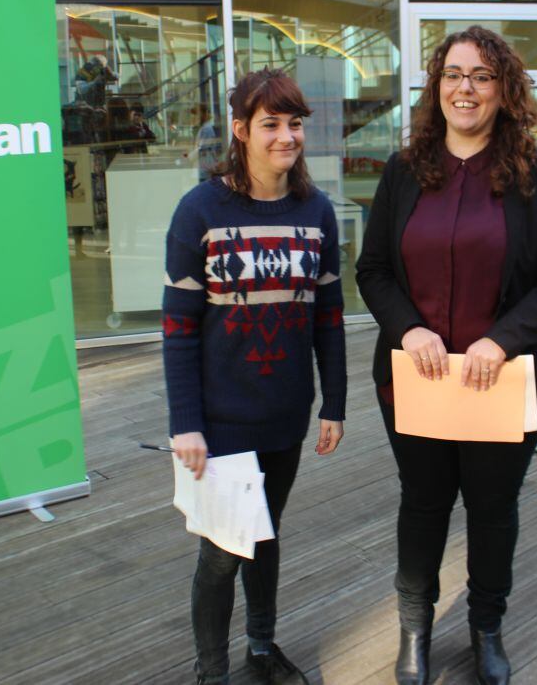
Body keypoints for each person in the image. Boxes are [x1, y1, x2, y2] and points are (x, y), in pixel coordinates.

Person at [355, 26, 537, 685]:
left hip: (502, 379)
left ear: (504, 89)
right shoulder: (403, 171)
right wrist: (408, 328)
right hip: (417, 379)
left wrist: (501, 337)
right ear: (437, 86)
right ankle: (415, 631)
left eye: (482, 76)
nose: (466, 87)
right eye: (454, 74)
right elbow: (373, 271)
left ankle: (486, 626)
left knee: (492, 505)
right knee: (422, 503)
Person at [162, 68, 347, 685]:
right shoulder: (199, 210)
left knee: (264, 533)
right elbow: (179, 329)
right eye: (271, 124)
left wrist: (334, 403)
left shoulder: (316, 210)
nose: (286, 137)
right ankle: (211, 671)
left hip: (285, 414)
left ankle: (261, 648)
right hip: (219, 420)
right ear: (241, 130)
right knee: (220, 552)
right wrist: (185, 423)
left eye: (294, 124)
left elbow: (329, 318)